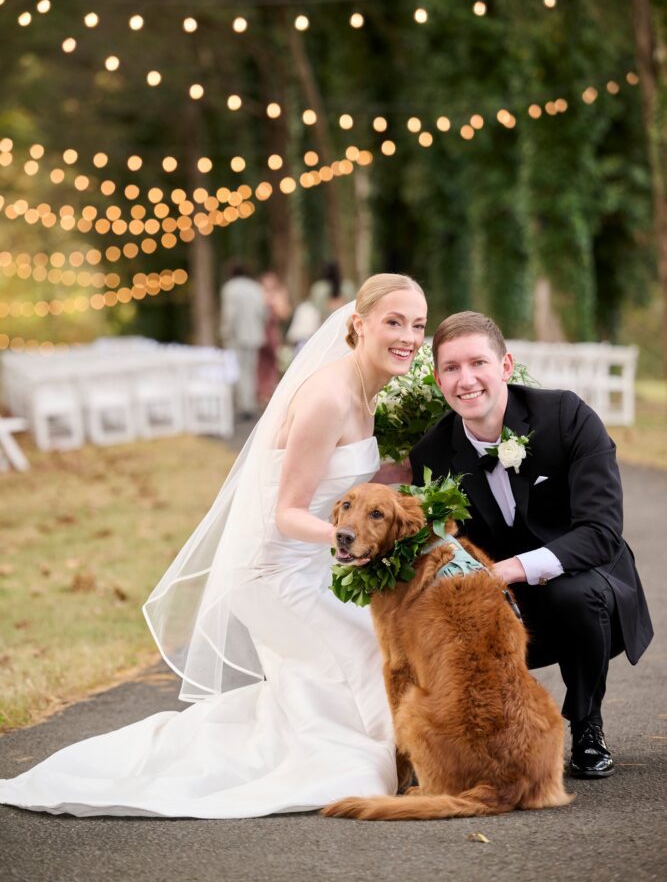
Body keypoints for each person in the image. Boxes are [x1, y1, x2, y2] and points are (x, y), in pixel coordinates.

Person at [0, 273, 428, 818]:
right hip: (274, 575)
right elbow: (288, 513)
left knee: (371, 657)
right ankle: (395, 760)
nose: (409, 336)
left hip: (317, 570)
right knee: (372, 660)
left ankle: (375, 747)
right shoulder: (328, 396)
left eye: (417, 325)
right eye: (394, 322)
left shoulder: (369, 392)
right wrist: (360, 543)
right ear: (358, 324)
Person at [409, 311, 654, 780]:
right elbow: (446, 547)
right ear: (438, 378)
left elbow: (602, 531)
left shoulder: (566, 416)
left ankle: (586, 725)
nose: (466, 380)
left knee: (573, 593)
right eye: (451, 368)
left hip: (589, 580)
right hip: (503, 599)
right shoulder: (432, 455)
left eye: (478, 363)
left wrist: (511, 568)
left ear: (505, 367)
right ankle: (485, 734)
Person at [219, 262, 267, 419]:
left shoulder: (230, 288)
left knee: (238, 370)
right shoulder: (256, 288)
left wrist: (225, 331)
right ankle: (250, 403)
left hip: (236, 336)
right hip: (254, 335)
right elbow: (263, 312)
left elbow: (230, 314)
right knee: (251, 370)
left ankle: (244, 405)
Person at [256, 271, 291, 406]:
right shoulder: (258, 293)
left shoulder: (280, 294)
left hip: (272, 330)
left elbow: (285, 313)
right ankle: (260, 390)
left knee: (273, 362)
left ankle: (269, 390)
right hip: (260, 330)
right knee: (261, 363)